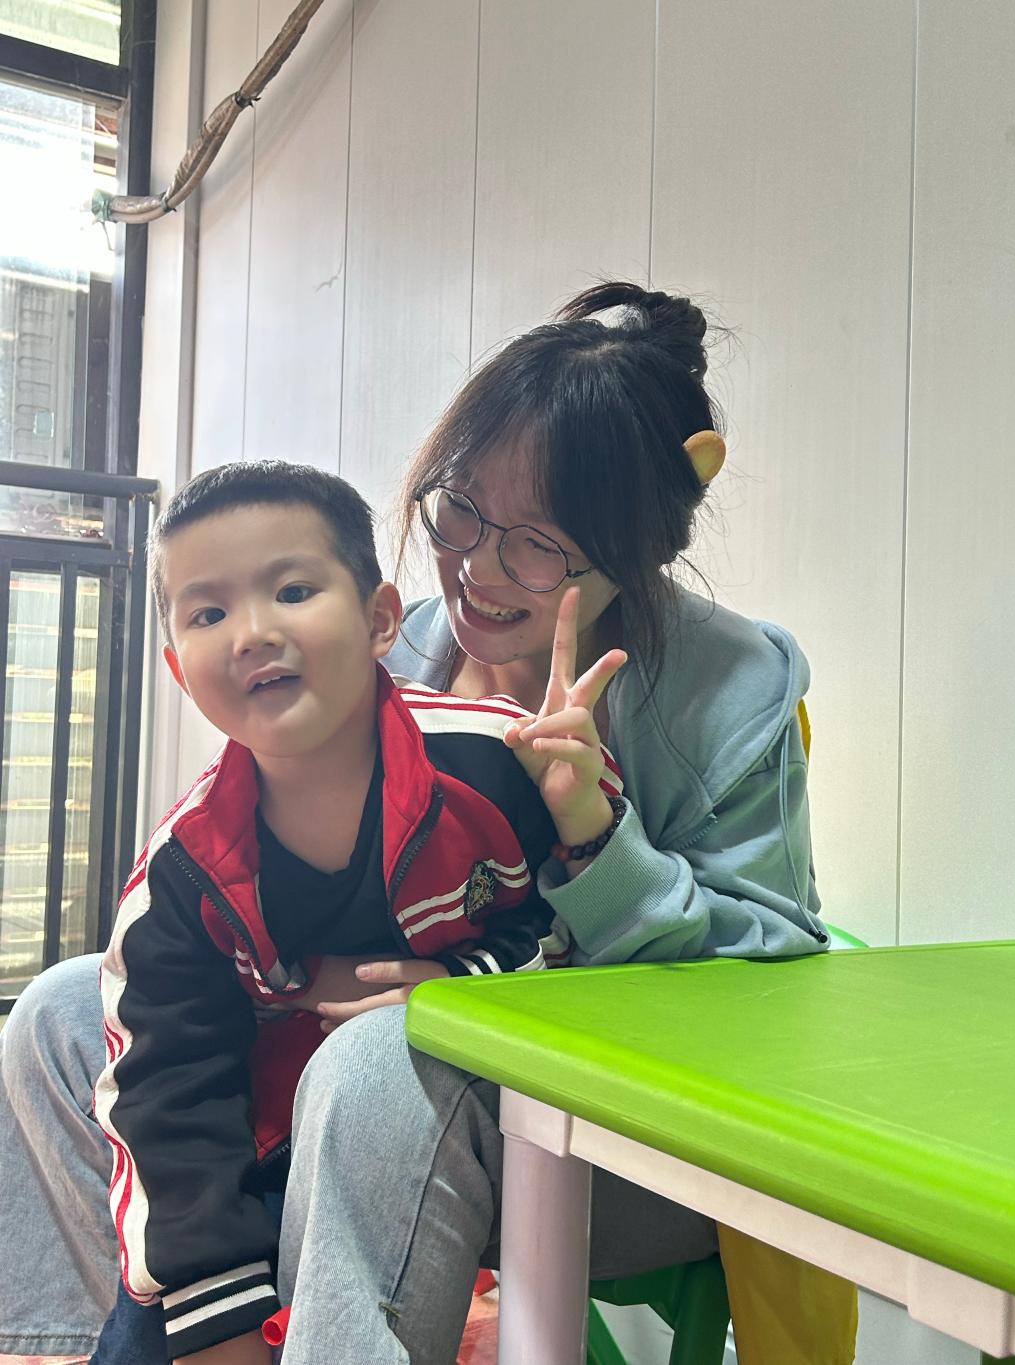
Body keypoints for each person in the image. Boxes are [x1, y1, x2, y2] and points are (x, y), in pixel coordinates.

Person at [0, 281, 827, 1365]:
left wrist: (575, 876)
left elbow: (777, 985)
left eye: (539, 544)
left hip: (625, 1130)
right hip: (375, 1055)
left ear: (633, 554)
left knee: (385, 1060)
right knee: (70, 1013)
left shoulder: (729, 686)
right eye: (461, 510)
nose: (477, 569)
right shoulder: (408, 640)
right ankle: (119, 1337)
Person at [82, 458, 623, 1365]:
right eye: (208, 614)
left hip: (481, 1134)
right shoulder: (183, 874)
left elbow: (583, 942)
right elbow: (169, 1101)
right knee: (163, 1330)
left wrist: (456, 979)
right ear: (178, 668)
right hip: (270, 1153)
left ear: (380, 620)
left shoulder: (495, 763)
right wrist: (216, 1316)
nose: (252, 634)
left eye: (292, 591)